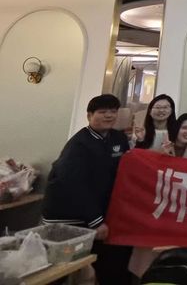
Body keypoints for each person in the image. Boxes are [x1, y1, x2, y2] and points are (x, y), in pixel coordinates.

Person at [42, 94, 132, 284]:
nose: (109, 115)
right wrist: (96, 220)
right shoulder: (79, 144)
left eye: (113, 111)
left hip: (98, 212)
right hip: (68, 217)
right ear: (89, 115)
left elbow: (127, 167)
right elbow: (72, 184)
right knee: (63, 269)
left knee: (111, 262)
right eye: (102, 112)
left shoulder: (118, 138)